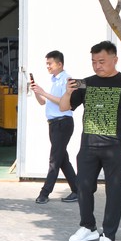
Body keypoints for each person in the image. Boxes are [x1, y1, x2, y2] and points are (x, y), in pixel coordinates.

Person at [60, 41, 121, 241]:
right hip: (88, 146)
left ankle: (108, 237)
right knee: (83, 187)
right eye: (94, 62)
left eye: (102, 61)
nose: (97, 66)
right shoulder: (85, 83)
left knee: (114, 192)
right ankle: (88, 227)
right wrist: (68, 93)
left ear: (114, 59)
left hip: (115, 147)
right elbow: (64, 107)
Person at [30, 50, 78, 204]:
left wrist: (44, 92)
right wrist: (38, 92)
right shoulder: (53, 80)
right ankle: (78, 190)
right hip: (53, 124)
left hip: (63, 122)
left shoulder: (67, 79)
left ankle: (44, 193)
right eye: (47, 64)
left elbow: (64, 103)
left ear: (60, 64)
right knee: (62, 159)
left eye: (50, 64)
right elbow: (43, 102)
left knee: (54, 160)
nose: (48, 67)